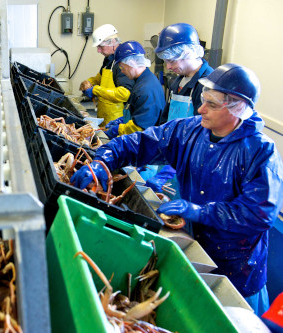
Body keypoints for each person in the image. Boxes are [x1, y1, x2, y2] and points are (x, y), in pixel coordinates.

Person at [71, 63, 283, 314]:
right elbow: (137, 143)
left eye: (212, 105)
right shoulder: (190, 130)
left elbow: (260, 213)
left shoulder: (260, 151)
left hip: (237, 270)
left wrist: (200, 211)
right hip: (193, 247)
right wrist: (101, 161)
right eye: (203, 100)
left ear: (238, 108)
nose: (201, 109)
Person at [103, 40, 165, 139]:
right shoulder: (142, 81)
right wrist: (123, 120)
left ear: (131, 63)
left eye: (122, 67)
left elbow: (140, 126)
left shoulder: (146, 89)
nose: (122, 71)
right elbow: (138, 112)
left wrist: (118, 129)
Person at [155, 23, 214, 124]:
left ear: (188, 53)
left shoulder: (208, 84)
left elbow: (203, 130)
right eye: (166, 61)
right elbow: (165, 119)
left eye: (172, 61)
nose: (168, 67)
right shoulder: (178, 81)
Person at [79, 24, 134, 126]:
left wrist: (95, 90)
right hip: (103, 117)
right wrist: (89, 82)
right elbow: (100, 77)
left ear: (113, 42)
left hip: (117, 121)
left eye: (100, 46)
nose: (98, 51)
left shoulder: (123, 62)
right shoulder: (108, 59)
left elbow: (125, 94)